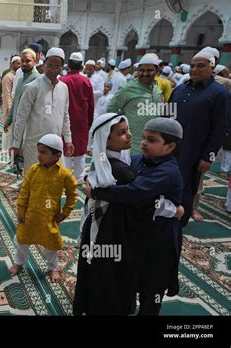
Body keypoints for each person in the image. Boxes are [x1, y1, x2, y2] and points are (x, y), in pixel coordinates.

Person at [75, 113, 182, 315]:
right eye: (123, 133)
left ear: (170, 147)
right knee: (124, 277)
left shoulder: (163, 170)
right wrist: (174, 209)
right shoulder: (133, 163)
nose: (139, 142)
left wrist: (173, 209)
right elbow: (136, 194)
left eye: (151, 140)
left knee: (150, 287)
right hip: (125, 232)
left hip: (159, 237)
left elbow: (137, 193)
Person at [170, 50, 228, 226]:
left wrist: (208, 156)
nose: (194, 69)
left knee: (186, 187)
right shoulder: (180, 89)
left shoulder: (220, 94)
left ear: (212, 67)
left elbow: (221, 128)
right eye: (193, 65)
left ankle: (179, 223)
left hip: (194, 152)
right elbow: (166, 116)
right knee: (167, 182)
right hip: (170, 148)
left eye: (200, 66)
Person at [10, 134, 77, 282]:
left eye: (44, 152)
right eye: (39, 151)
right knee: (21, 241)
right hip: (29, 216)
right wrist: (21, 211)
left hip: (49, 218)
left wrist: (65, 212)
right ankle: (19, 263)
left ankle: (52, 268)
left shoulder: (65, 174)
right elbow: (24, 192)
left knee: (51, 246)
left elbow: (73, 195)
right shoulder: (33, 170)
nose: (39, 155)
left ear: (57, 155)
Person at [11, 47, 74, 171]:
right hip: (34, 145)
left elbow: (65, 116)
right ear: (44, 65)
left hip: (55, 146)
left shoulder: (64, 88)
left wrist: (68, 139)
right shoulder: (33, 87)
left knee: (53, 181)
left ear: (62, 67)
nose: (53, 69)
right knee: (33, 181)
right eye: (50, 65)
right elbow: (21, 118)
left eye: (57, 66)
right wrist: (15, 144)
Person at [107, 53, 163, 154]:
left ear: (157, 71)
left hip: (152, 145)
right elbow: (111, 110)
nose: (145, 73)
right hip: (132, 146)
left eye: (149, 70)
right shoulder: (128, 88)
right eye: (141, 70)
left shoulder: (156, 89)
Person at [59, 52, 95, 183]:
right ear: (81, 67)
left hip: (65, 121)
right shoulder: (86, 81)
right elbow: (91, 105)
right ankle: (79, 178)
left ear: (68, 65)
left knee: (66, 148)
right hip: (82, 122)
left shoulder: (62, 80)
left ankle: (65, 177)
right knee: (80, 150)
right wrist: (89, 122)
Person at [1, 56, 21, 151]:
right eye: (17, 63)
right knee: (8, 131)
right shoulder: (8, 76)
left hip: (15, 108)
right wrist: (9, 110)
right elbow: (6, 94)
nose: (19, 65)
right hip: (9, 109)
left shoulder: (17, 76)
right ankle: (5, 152)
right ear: (12, 64)